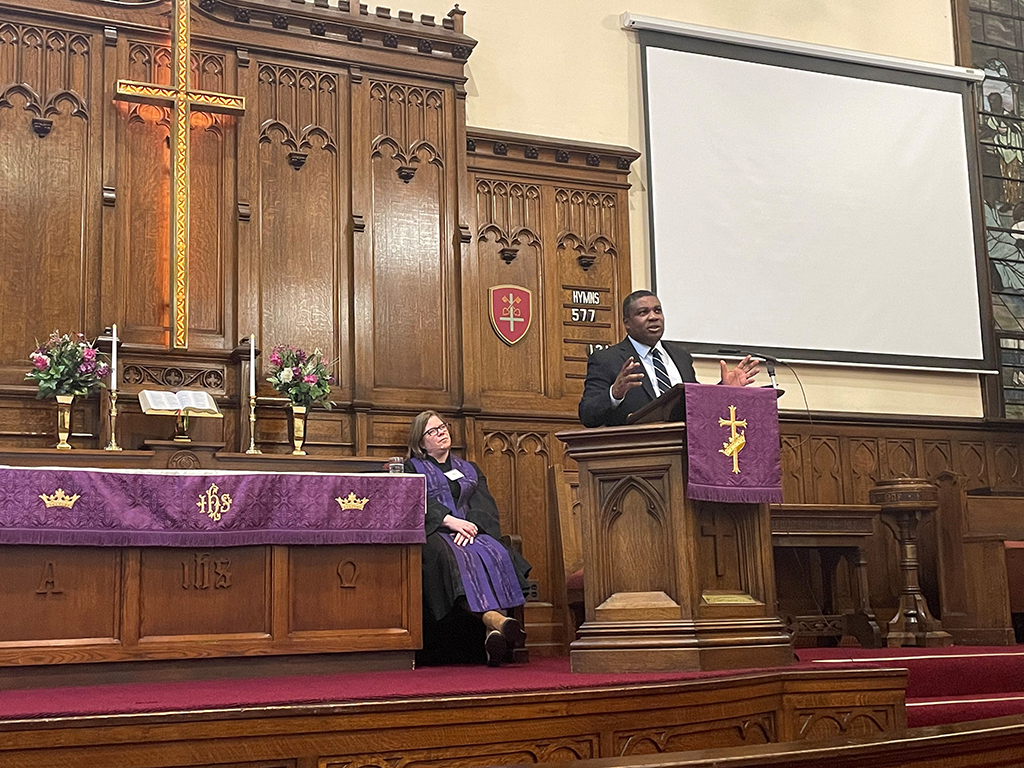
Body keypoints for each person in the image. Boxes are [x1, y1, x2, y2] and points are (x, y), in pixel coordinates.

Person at [406, 410, 532, 666]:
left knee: (497, 553)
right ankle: (495, 622)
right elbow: (412, 501)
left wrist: (471, 526)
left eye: (443, 427)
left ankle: (494, 632)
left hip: (473, 531)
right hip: (436, 532)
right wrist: (450, 521)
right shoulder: (412, 467)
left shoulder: (469, 468)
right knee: (451, 558)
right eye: (433, 431)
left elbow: (484, 504)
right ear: (421, 442)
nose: (442, 432)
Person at [578, 290, 760, 428]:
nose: (653, 317)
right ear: (627, 323)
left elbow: (695, 404)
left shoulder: (681, 357)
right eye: (643, 313)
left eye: (658, 311)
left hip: (684, 454)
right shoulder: (606, 359)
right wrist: (614, 393)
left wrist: (723, 389)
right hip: (634, 457)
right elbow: (587, 415)